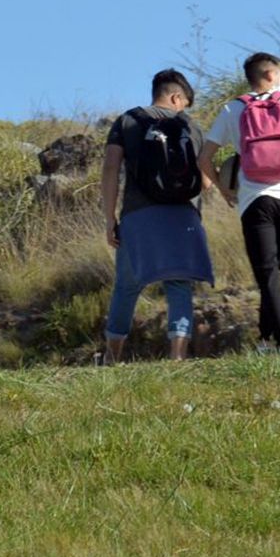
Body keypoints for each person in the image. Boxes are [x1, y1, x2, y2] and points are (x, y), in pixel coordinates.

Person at [199, 53, 280, 355]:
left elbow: (204, 158)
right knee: (273, 270)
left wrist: (225, 190)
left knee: (267, 272)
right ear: (270, 74)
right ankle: (266, 341)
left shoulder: (233, 109)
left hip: (254, 199)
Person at [100, 69, 218, 362]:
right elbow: (204, 182)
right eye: (183, 103)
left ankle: (112, 357)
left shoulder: (127, 121)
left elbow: (110, 170)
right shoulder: (191, 126)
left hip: (138, 216)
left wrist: (110, 218)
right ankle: (177, 356)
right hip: (182, 216)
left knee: (127, 287)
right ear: (176, 96)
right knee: (179, 284)